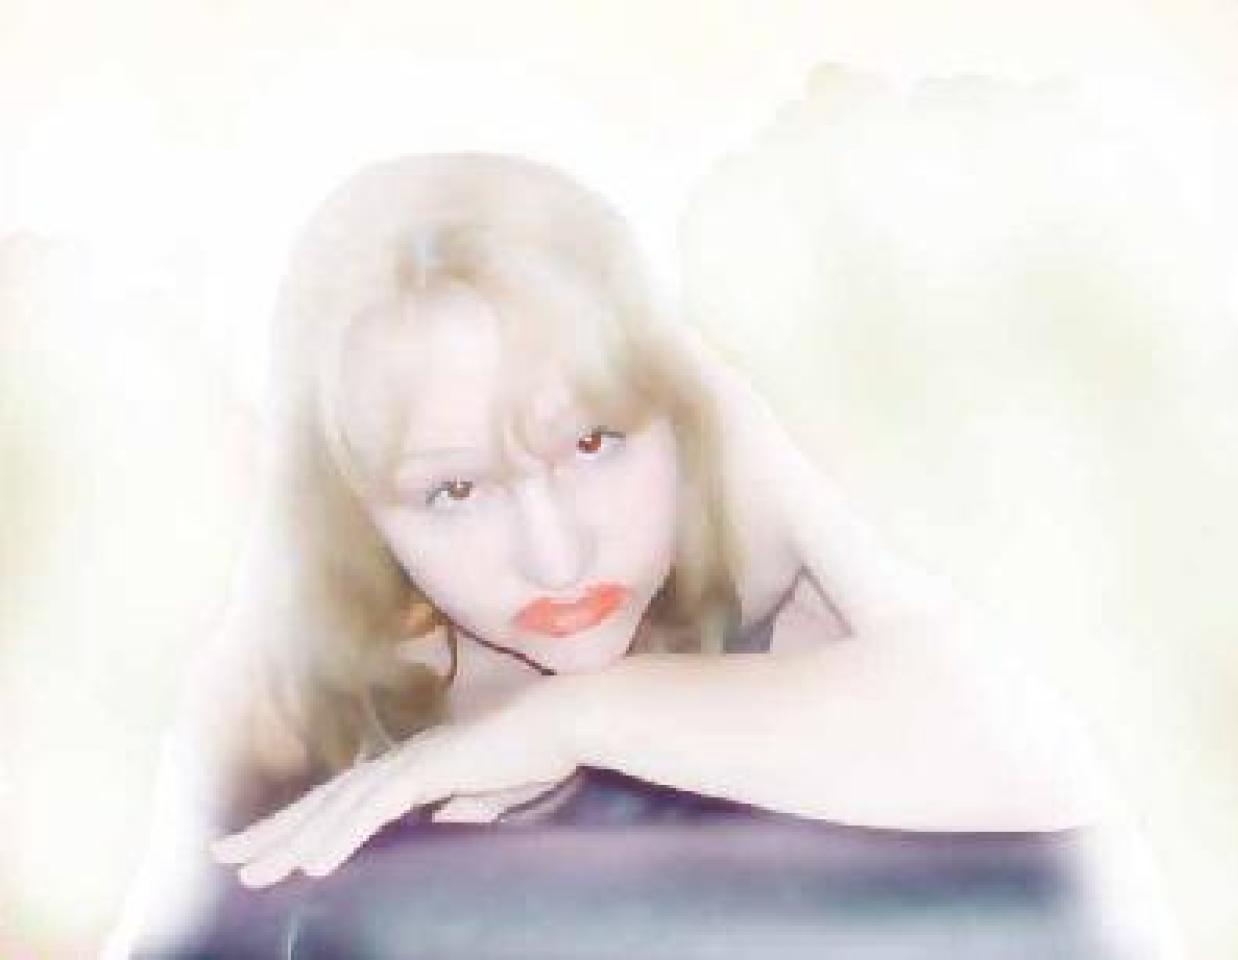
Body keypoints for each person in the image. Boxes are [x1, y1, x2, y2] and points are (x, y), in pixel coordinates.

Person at [115, 152, 1104, 953]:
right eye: (452, 491)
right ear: (359, 510)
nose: (555, 558)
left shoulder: (794, 558)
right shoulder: (299, 693)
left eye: (594, 440)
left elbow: (1070, 744)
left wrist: (578, 716)